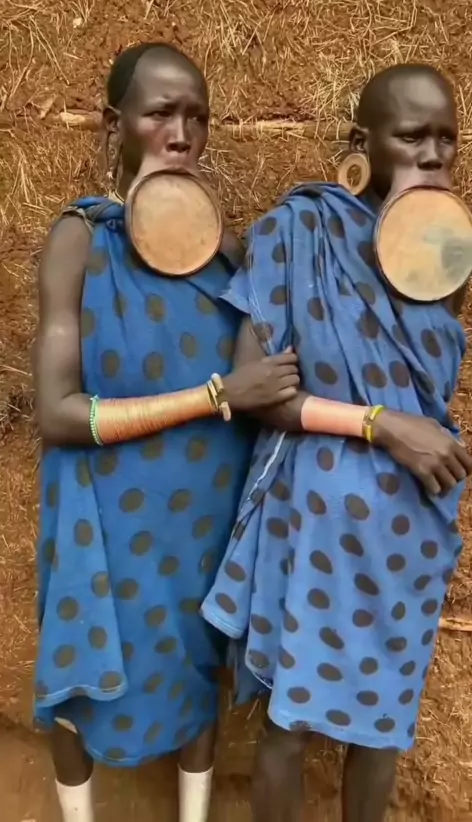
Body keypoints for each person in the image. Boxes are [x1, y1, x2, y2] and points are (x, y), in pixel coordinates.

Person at [32, 41, 300, 822]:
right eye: (160, 114)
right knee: (80, 676)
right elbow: (57, 413)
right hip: (103, 509)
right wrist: (217, 395)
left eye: (196, 117)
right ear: (115, 124)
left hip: (201, 511)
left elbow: (268, 377)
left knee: (195, 668)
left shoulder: (228, 255)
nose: (181, 134)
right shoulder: (82, 239)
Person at [201, 62, 472, 822]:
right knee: (290, 723)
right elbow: (259, 392)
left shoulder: (449, 252)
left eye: (447, 139)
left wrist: (413, 433)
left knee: (381, 728)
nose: (432, 154)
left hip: (408, 526)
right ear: (363, 143)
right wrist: (383, 425)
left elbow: (427, 382)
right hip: (315, 518)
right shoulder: (299, 232)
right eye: (411, 136)